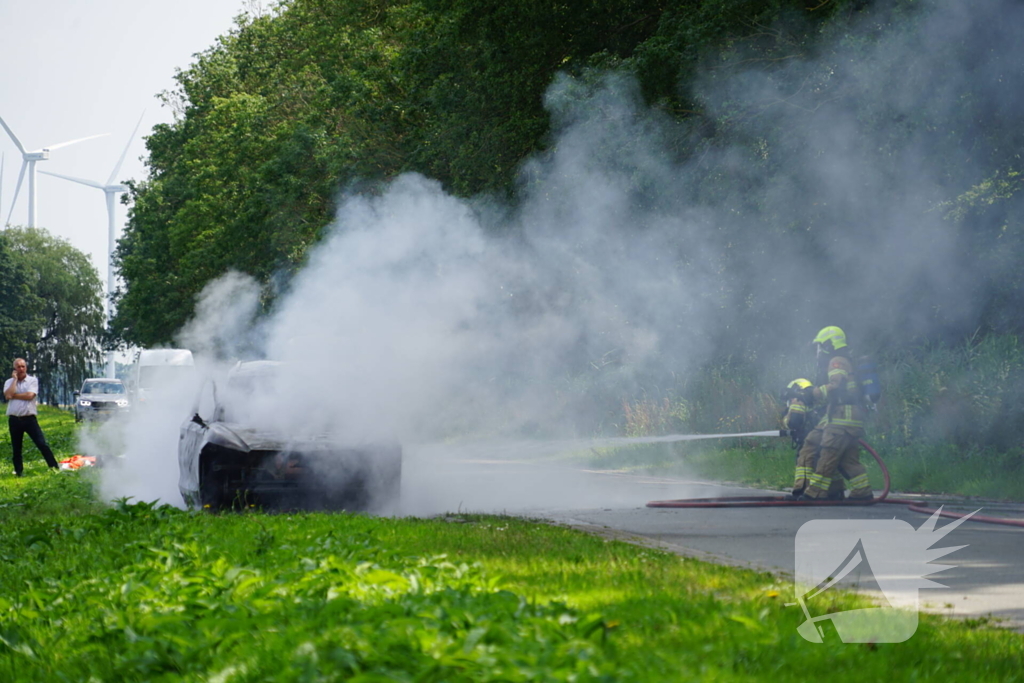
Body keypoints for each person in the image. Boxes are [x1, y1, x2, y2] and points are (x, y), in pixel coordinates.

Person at [796, 327, 872, 501]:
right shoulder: (846, 360)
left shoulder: (837, 361)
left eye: (820, 346)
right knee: (848, 459)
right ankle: (862, 491)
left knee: (828, 454)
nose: (819, 352)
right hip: (850, 418)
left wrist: (813, 393)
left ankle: (816, 492)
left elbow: (836, 385)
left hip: (841, 419)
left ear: (829, 345)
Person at [782, 378, 844, 500]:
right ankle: (835, 491)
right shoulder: (819, 402)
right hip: (829, 436)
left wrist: (794, 406)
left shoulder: (799, 402)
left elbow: (794, 422)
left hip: (812, 439)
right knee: (828, 463)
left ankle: (802, 490)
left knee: (805, 460)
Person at [4, 358, 60, 476]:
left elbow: (30, 395)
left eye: (23, 366)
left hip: (29, 419)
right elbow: (8, 395)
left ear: (26, 367)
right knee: (16, 447)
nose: (21, 369)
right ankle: (18, 471)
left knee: (41, 443)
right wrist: (14, 380)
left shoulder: (32, 381)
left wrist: (14, 395)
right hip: (14, 419)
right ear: (14, 369)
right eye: (18, 367)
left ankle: (54, 466)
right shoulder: (9, 382)